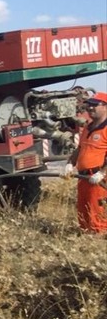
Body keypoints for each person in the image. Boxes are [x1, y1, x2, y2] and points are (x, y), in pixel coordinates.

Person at [64, 91, 107, 234]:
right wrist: (70, 164)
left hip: (98, 180)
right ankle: (85, 237)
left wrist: (102, 173)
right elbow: (80, 147)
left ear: (105, 106)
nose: (90, 108)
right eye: (89, 105)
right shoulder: (88, 127)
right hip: (83, 178)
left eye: (95, 105)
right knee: (83, 212)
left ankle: (98, 242)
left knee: (97, 215)